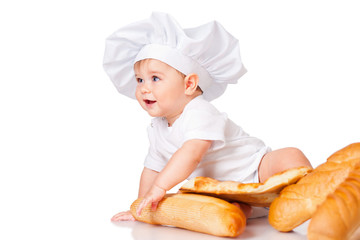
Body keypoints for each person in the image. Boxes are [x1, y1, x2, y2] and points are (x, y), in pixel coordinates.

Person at [103, 12, 312, 221]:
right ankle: (242, 210)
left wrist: (160, 187)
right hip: (222, 190)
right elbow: (152, 169)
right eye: (139, 80)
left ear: (189, 85)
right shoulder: (157, 128)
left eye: (155, 78)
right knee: (202, 204)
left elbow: (191, 154)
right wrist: (140, 207)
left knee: (290, 156)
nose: (144, 88)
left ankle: (311, 193)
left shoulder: (199, 111)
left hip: (257, 172)